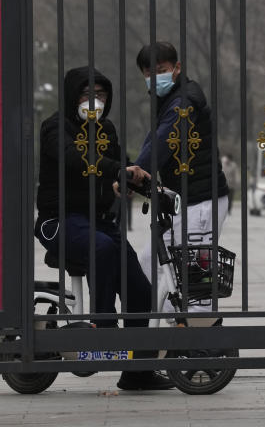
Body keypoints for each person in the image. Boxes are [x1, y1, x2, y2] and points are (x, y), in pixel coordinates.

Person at [35, 67, 174, 391]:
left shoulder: (106, 129)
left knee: (140, 288)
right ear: (73, 96)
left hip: (98, 221)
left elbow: (116, 165)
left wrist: (131, 181)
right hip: (61, 220)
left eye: (100, 94)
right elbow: (76, 159)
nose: (94, 100)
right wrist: (117, 169)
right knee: (102, 247)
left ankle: (138, 372)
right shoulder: (56, 127)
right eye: (87, 94)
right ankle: (103, 328)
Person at [134, 42, 229, 318]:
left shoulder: (184, 101)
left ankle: (201, 340)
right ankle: (176, 327)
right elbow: (155, 138)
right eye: (149, 73)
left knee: (196, 281)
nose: (155, 78)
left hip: (201, 201)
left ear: (177, 68)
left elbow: (164, 139)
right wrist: (135, 169)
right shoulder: (169, 99)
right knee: (147, 264)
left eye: (161, 70)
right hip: (182, 201)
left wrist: (137, 168)